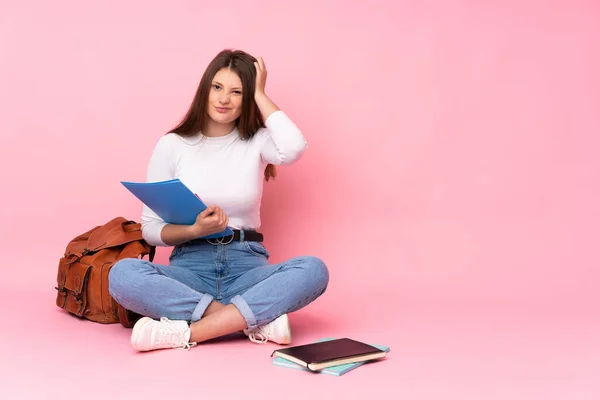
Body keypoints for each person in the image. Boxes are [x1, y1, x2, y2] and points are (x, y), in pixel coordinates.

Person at [108, 49, 329, 352]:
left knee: (314, 270)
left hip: (247, 267)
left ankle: (186, 333)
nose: (224, 99)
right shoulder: (172, 145)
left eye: (237, 91)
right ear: (205, 89)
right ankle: (249, 320)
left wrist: (261, 94)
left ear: (247, 98)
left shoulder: (257, 141)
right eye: (217, 87)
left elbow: (293, 148)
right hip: (189, 270)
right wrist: (194, 230)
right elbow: (150, 230)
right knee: (122, 274)